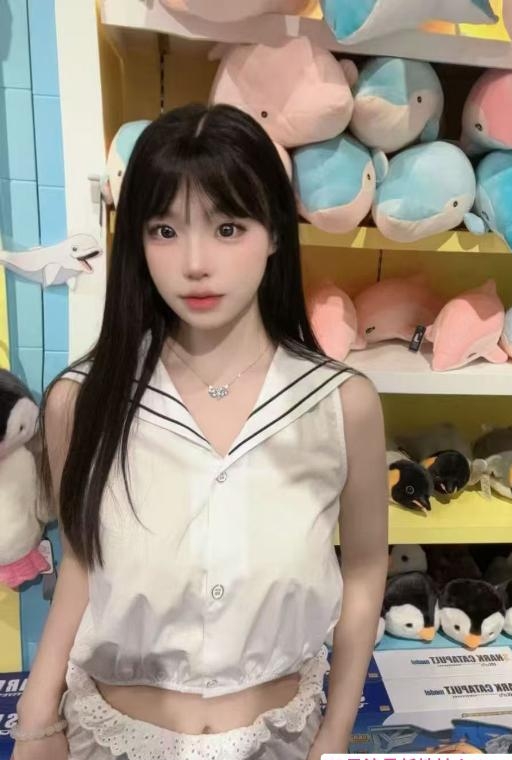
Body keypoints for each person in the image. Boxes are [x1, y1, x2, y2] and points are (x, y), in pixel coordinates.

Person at [12, 103, 388, 760]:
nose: (194, 262)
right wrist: (37, 716)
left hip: (282, 740)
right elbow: (79, 560)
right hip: (112, 741)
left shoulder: (340, 404)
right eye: (164, 229)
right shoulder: (83, 400)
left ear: (275, 234)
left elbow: (364, 569)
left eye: (227, 227)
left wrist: (335, 734)